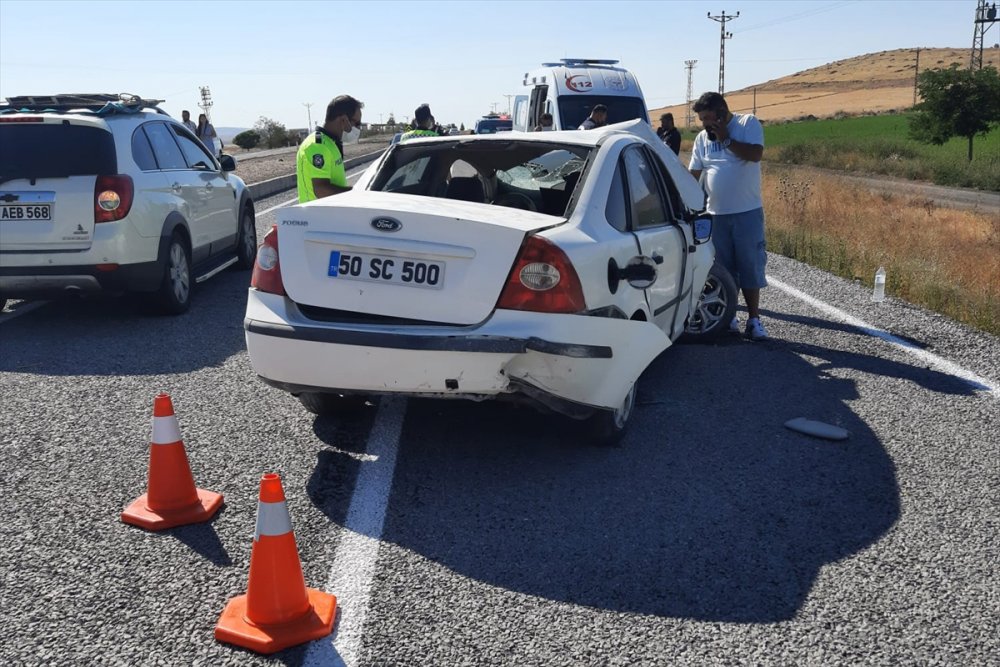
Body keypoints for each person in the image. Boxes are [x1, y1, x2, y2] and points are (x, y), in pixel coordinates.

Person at [687, 91, 769, 341]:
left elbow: (755, 155)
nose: (705, 125)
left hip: (746, 212)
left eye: (709, 119)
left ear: (722, 113)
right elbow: (695, 174)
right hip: (715, 214)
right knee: (723, 269)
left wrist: (727, 139)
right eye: (702, 120)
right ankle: (730, 316)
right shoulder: (702, 139)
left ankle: (754, 320)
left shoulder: (747, 124)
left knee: (750, 266)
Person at [296, 94, 364, 203]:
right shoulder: (317, 146)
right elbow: (321, 190)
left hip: (328, 214)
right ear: (343, 120)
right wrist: (356, 193)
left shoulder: (330, 143)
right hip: (315, 217)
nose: (358, 128)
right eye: (357, 123)